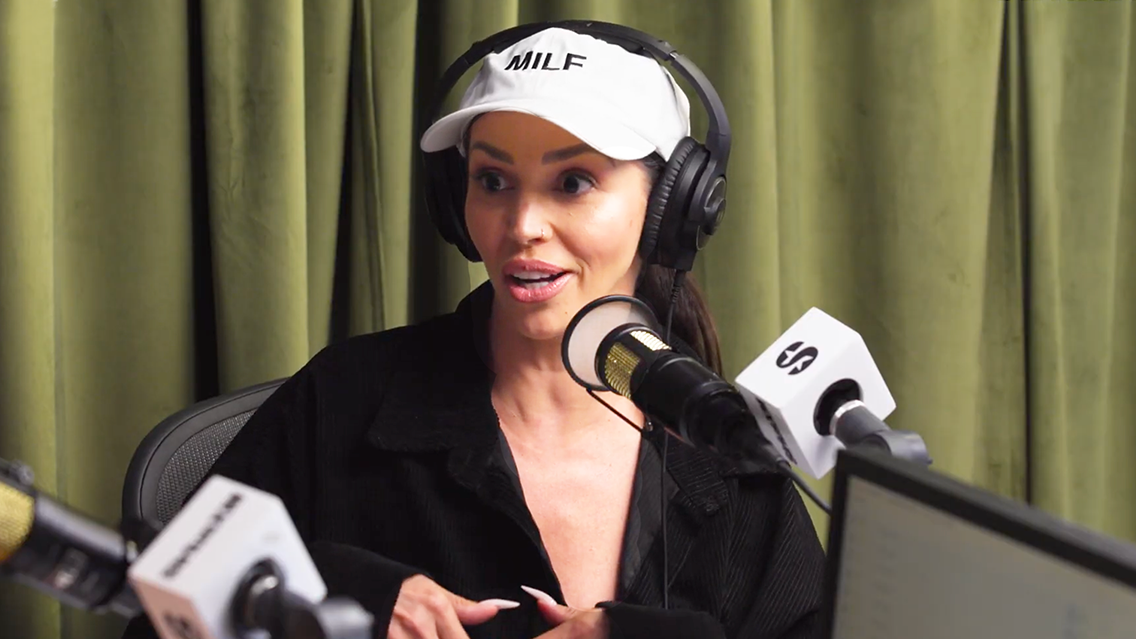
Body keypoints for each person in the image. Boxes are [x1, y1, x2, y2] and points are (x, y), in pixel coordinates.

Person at [121, 23, 826, 639]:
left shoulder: (733, 459)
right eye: (492, 180)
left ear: (669, 210)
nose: (522, 225)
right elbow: (155, 622)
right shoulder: (342, 400)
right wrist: (328, 593)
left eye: (573, 182)